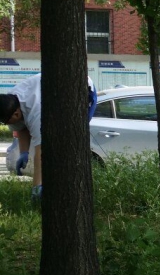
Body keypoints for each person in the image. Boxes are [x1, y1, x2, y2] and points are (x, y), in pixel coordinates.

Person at [0, 73, 97, 201]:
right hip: (52, 93)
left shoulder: (37, 114)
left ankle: (70, 187)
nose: (7, 125)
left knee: (69, 137)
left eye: (6, 122)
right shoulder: (9, 102)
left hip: (82, 88)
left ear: (16, 114)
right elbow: (21, 127)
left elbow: (40, 153)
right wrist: (24, 152)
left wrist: (36, 186)